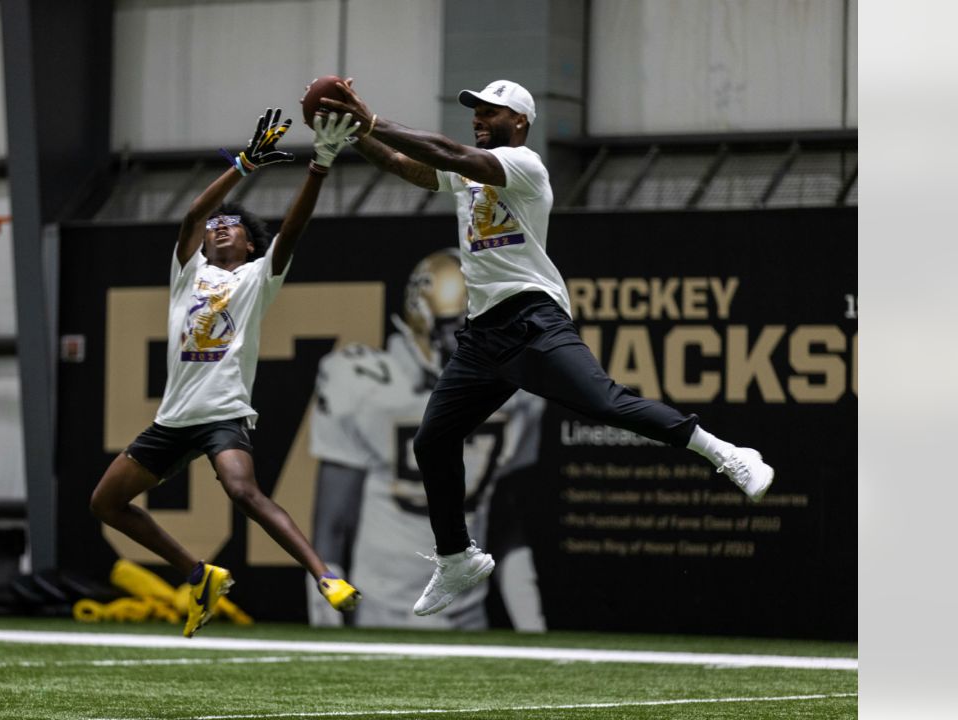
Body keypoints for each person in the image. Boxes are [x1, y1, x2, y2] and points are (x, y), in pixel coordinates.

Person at [319, 79, 775, 617]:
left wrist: (369, 118)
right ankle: (457, 556)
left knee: (606, 403)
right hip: (483, 334)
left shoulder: (525, 166)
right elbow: (410, 166)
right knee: (433, 440)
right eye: (476, 111)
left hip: (533, 318)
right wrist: (352, 135)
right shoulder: (468, 172)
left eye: (491, 111)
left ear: (521, 121)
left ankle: (725, 454)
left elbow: (443, 152)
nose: (479, 118)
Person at [90, 108, 363, 637]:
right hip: (173, 418)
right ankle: (201, 574)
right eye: (215, 225)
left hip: (222, 411)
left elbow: (295, 227)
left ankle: (325, 575)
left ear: (250, 245)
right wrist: (243, 164)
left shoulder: (259, 278)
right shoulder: (188, 273)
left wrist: (320, 167)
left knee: (242, 490)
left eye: (230, 226)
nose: (217, 228)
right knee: (105, 501)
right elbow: (193, 215)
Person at [307, 248, 548, 630]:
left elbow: (504, 520)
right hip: (381, 615)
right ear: (423, 323)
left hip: (472, 621)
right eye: (461, 326)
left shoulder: (515, 392)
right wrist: (326, 629)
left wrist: (532, 625)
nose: (476, 339)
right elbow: (332, 526)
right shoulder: (366, 386)